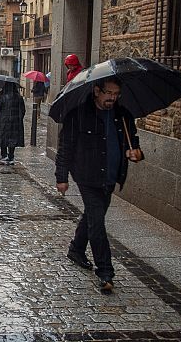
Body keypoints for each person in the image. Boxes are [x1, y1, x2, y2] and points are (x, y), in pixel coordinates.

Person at [55, 76, 144, 294]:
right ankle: (105, 271)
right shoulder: (78, 115)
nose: (112, 98)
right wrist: (62, 177)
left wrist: (137, 154)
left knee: (93, 216)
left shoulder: (123, 116)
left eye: (116, 94)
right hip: (87, 176)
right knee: (97, 223)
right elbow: (65, 147)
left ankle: (76, 249)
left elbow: (135, 143)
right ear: (96, 91)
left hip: (111, 177)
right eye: (108, 93)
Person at [0, 82, 26, 165]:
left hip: (3, 121)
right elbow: (23, 110)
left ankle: (4, 155)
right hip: (15, 122)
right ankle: (11, 156)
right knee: (12, 138)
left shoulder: (3, 97)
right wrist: (19, 118)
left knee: (3, 137)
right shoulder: (19, 97)